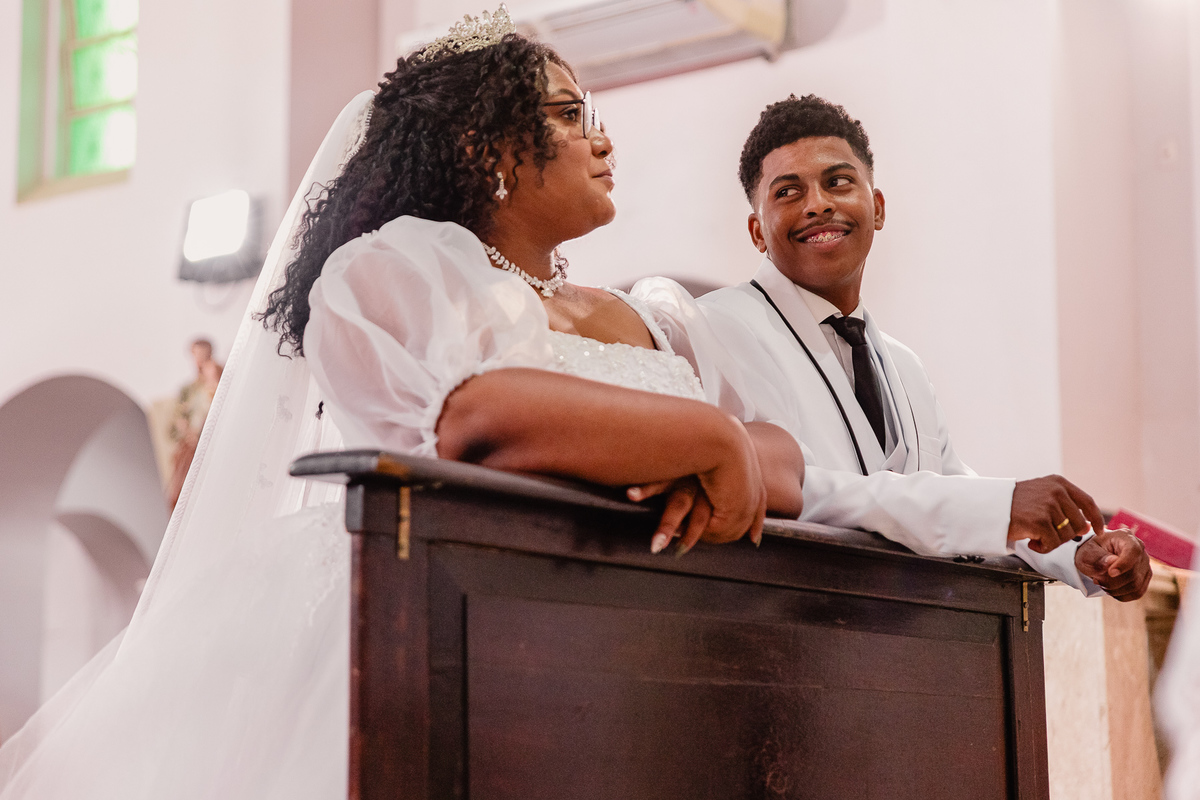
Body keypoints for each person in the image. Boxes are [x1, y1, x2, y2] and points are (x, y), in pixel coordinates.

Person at [0, 10, 803, 799]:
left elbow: (787, 460)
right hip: (456, 633)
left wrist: (711, 450)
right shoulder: (403, 269)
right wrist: (706, 442)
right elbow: (474, 421)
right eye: (567, 115)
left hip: (650, 643)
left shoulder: (656, 315)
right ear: (483, 146)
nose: (603, 138)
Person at [695, 94, 1152, 599]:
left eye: (838, 182)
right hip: (788, 623)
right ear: (758, 231)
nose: (818, 203)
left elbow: (954, 492)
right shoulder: (720, 326)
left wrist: (1076, 552)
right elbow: (795, 491)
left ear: (878, 207)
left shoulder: (903, 365)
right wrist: (1002, 505)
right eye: (788, 191)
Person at [166, 339, 223, 508]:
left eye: (204, 355)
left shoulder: (219, 379)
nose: (200, 360)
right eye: (196, 355)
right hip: (191, 450)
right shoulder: (188, 391)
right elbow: (172, 428)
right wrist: (183, 427)